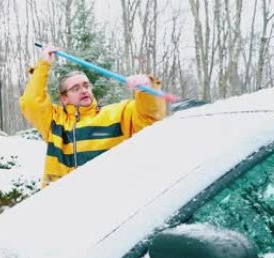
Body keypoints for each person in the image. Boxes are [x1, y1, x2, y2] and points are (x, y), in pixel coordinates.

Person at [19, 46, 167, 187]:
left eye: (86, 85)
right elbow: (31, 102)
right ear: (64, 98)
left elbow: (149, 117)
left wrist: (146, 89)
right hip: (62, 204)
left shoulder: (116, 114)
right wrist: (43, 64)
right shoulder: (55, 121)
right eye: (75, 88)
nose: (84, 90)